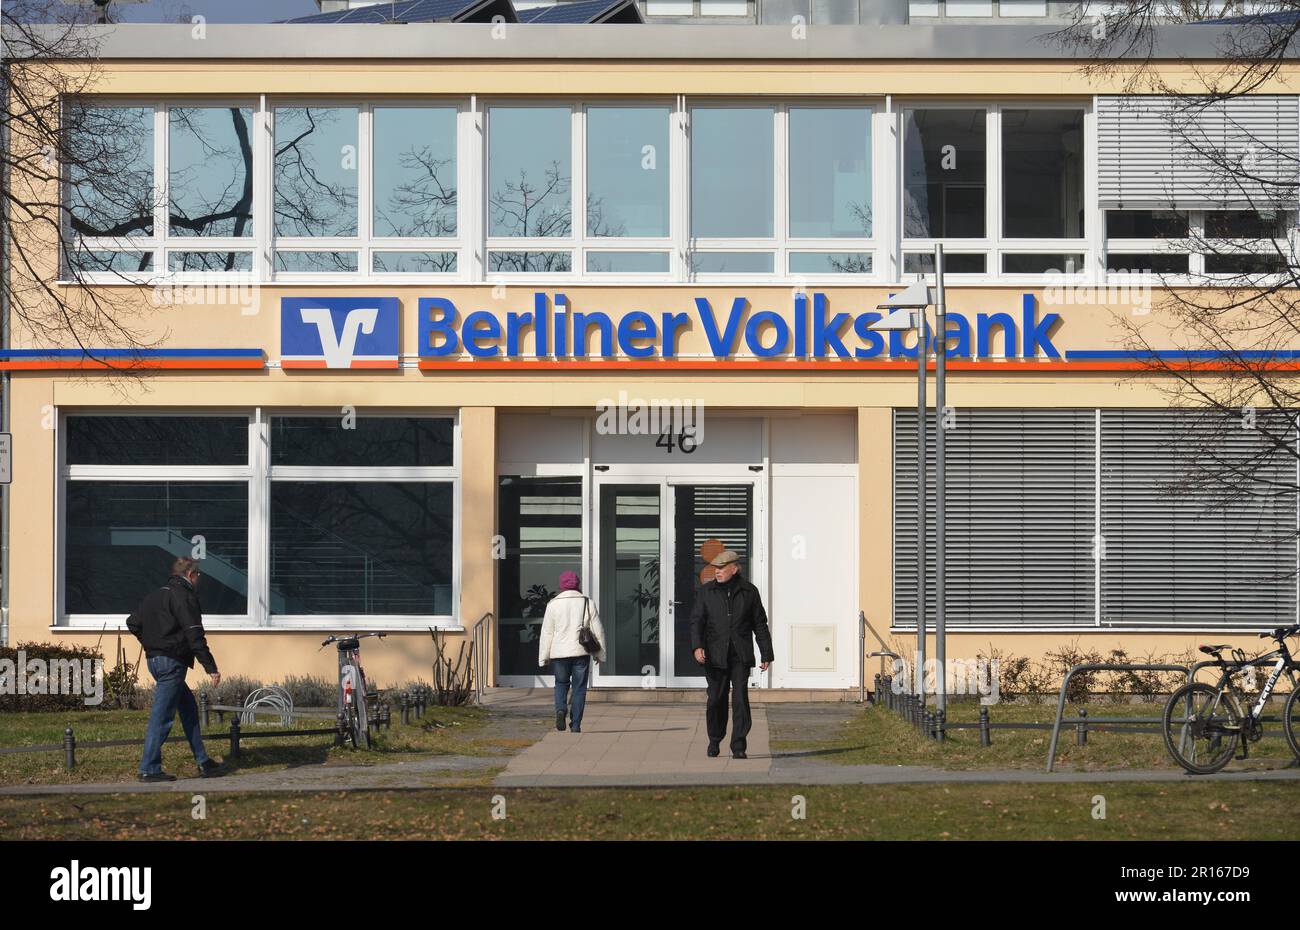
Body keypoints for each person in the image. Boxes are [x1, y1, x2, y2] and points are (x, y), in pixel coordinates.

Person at [126, 556, 223, 781]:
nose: (199, 580)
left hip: (155, 662)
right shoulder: (185, 596)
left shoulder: (154, 595)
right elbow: (194, 633)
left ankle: (203, 761)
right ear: (191, 574)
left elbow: (133, 623)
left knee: (188, 710)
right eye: (198, 576)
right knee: (162, 717)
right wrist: (211, 667)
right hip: (172, 664)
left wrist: (152, 643)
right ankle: (149, 768)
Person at [689, 550, 774, 759]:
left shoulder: (749, 592)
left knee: (740, 699)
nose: (716, 572)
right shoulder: (706, 592)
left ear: (734, 569)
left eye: (721, 568)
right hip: (714, 655)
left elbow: (759, 624)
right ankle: (715, 739)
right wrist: (697, 646)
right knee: (716, 699)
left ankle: (739, 745)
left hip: (740, 655)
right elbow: (696, 621)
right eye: (715, 568)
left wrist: (766, 653)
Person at [538, 570, 605, 733]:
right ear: (578, 584)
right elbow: (598, 630)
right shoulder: (587, 602)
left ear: (561, 586)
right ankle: (576, 725)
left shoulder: (553, 604)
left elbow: (547, 632)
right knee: (579, 688)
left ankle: (561, 709)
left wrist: (543, 657)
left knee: (561, 684)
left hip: (559, 654)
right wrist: (600, 654)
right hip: (581, 652)